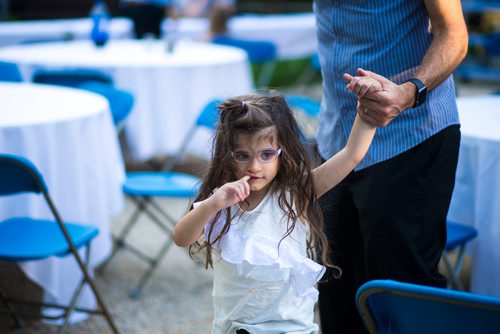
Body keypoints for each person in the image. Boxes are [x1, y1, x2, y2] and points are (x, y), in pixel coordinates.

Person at [312, 0, 469, 333]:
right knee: (333, 286)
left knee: (402, 291)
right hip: (334, 137)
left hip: (409, 133)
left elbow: (453, 35)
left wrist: (410, 91)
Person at [173, 82, 378, 333]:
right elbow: (182, 238)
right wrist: (213, 204)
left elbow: (351, 155)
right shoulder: (222, 200)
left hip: (291, 329)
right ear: (227, 155)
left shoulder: (296, 194)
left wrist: (367, 116)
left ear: (282, 152)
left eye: (267, 154)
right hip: (236, 328)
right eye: (242, 155)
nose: (255, 167)